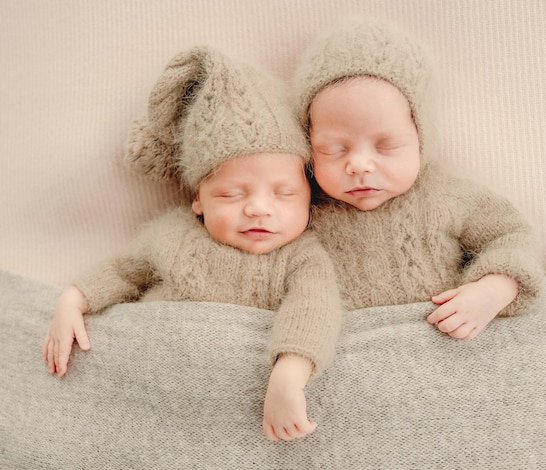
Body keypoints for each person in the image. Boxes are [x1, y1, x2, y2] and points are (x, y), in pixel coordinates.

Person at [42, 46, 343, 442]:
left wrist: (288, 377)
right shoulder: (173, 235)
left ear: (309, 197)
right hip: (151, 390)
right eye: (232, 195)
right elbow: (120, 271)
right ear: (197, 200)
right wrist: (71, 303)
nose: (257, 209)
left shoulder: (302, 258)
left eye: (284, 193)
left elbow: (314, 310)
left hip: (236, 410)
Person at [293, 19, 544, 339]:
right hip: (346, 350)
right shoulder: (301, 202)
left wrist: (492, 290)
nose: (358, 165)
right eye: (333, 150)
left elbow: (513, 236)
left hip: (443, 339)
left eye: (386, 146)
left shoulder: (448, 193)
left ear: (421, 138)